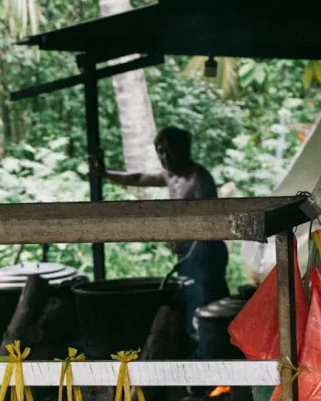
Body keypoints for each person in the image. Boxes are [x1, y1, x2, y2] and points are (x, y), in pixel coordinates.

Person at [91, 127, 230, 346]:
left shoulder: (200, 179)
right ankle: (198, 354)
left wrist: (188, 254)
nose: (165, 157)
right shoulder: (170, 176)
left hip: (205, 256)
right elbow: (139, 177)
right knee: (191, 306)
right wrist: (106, 174)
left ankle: (211, 355)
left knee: (206, 309)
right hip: (186, 257)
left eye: (169, 150)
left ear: (184, 149)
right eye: (160, 152)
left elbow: (209, 225)